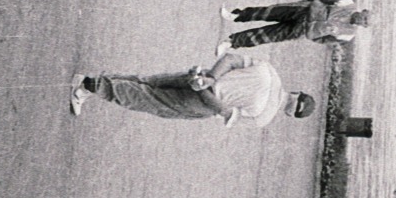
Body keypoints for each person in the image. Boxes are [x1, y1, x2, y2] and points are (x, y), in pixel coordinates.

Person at [69, 51, 315, 128]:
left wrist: (208, 79)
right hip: (201, 102)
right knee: (147, 99)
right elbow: (226, 112)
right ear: (290, 113)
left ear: (296, 93)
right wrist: (204, 91)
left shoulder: (270, 71)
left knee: (149, 82)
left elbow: (229, 59)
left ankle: (93, 82)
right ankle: (89, 85)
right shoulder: (263, 117)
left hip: (202, 77)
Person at [219, 0, 371, 50]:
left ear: (363, 27)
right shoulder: (346, 1)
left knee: (267, 36)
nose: (361, 21)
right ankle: (235, 16)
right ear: (363, 11)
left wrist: (311, 34)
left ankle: (231, 42)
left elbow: (325, 40)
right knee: (267, 12)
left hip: (301, 31)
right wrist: (310, 3)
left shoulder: (348, 35)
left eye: (365, 23)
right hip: (302, 11)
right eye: (364, 17)